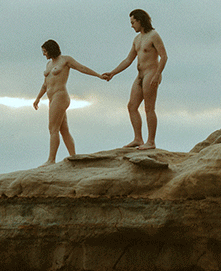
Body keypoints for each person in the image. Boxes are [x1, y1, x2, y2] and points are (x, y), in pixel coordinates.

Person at [102, 9, 167, 150]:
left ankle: (151, 142)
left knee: (149, 108)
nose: (132, 26)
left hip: (151, 73)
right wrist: (113, 73)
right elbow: (128, 60)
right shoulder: (137, 39)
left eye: (133, 22)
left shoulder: (153, 36)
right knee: (132, 106)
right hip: (140, 75)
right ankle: (138, 139)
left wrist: (157, 75)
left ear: (140, 20)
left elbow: (164, 56)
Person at [33, 39, 103, 165]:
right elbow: (45, 84)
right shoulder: (48, 64)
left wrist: (98, 75)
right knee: (63, 129)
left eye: (45, 51)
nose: (44, 54)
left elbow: (81, 68)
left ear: (51, 50)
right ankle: (74, 156)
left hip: (61, 96)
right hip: (51, 97)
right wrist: (38, 98)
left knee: (52, 128)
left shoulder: (65, 60)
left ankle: (51, 160)